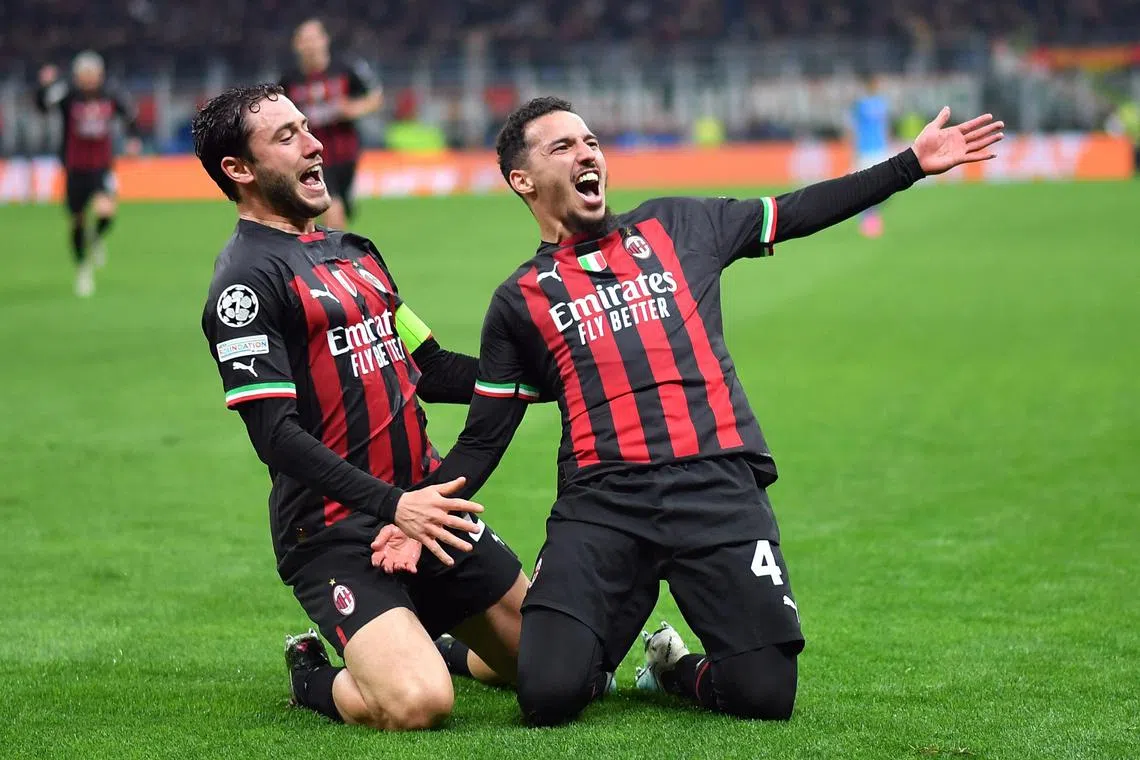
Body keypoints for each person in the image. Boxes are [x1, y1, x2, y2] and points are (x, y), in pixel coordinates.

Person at [371, 96, 1003, 726]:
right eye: (562, 147)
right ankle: (464, 652)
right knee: (548, 695)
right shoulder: (518, 301)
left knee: (764, 696)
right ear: (523, 180)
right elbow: (484, 438)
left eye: (591, 142)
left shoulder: (679, 225)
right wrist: (412, 511)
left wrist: (909, 164)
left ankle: (673, 667)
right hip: (603, 502)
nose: (586, 153)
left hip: (716, 486)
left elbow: (795, 211)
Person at [192, 83, 529, 731]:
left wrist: (552, 375)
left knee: (555, 666)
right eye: (286, 136)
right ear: (239, 170)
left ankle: (431, 644)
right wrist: (394, 506)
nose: (314, 143)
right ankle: (313, 677)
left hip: (425, 511)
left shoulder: (357, 254)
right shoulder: (244, 283)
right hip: (335, 532)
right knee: (417, 704)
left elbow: (430, 367)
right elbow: (276, 436)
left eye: (306, 126)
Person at [35, 51, 141, 297]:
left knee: (107, 212)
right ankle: (82, 268)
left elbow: (131, 114)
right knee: (77, 221)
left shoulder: (110, 94)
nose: (90, 79)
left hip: (102, 166)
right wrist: (45, 85)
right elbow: (43, 105)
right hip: (75, 167)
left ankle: (95, 238)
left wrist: (133, 138)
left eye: (94, 74)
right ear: (77, 76)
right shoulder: (67, 94)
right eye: (85, 74)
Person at [279, 19, 382, 229]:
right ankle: (329, 248)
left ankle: (330, 231)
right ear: (296, 45)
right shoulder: (289, 80)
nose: (310, 45)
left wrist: (353, 108)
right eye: (304, 40)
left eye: (314, 38)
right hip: (311, 154)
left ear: (324, 40)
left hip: (346, 151)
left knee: (340, 206)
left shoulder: (346, 69)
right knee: (332, 206)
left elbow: (374, 97)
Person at [848, 74, 893, 238]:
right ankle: (868, 219)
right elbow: (854, 128)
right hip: (866, 149)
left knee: (883, 186)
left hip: (879, 148)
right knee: (868, 187)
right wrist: (854, 148)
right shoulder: (861, 104)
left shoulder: (880, 104)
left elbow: (884, 126)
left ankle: (870, 216)